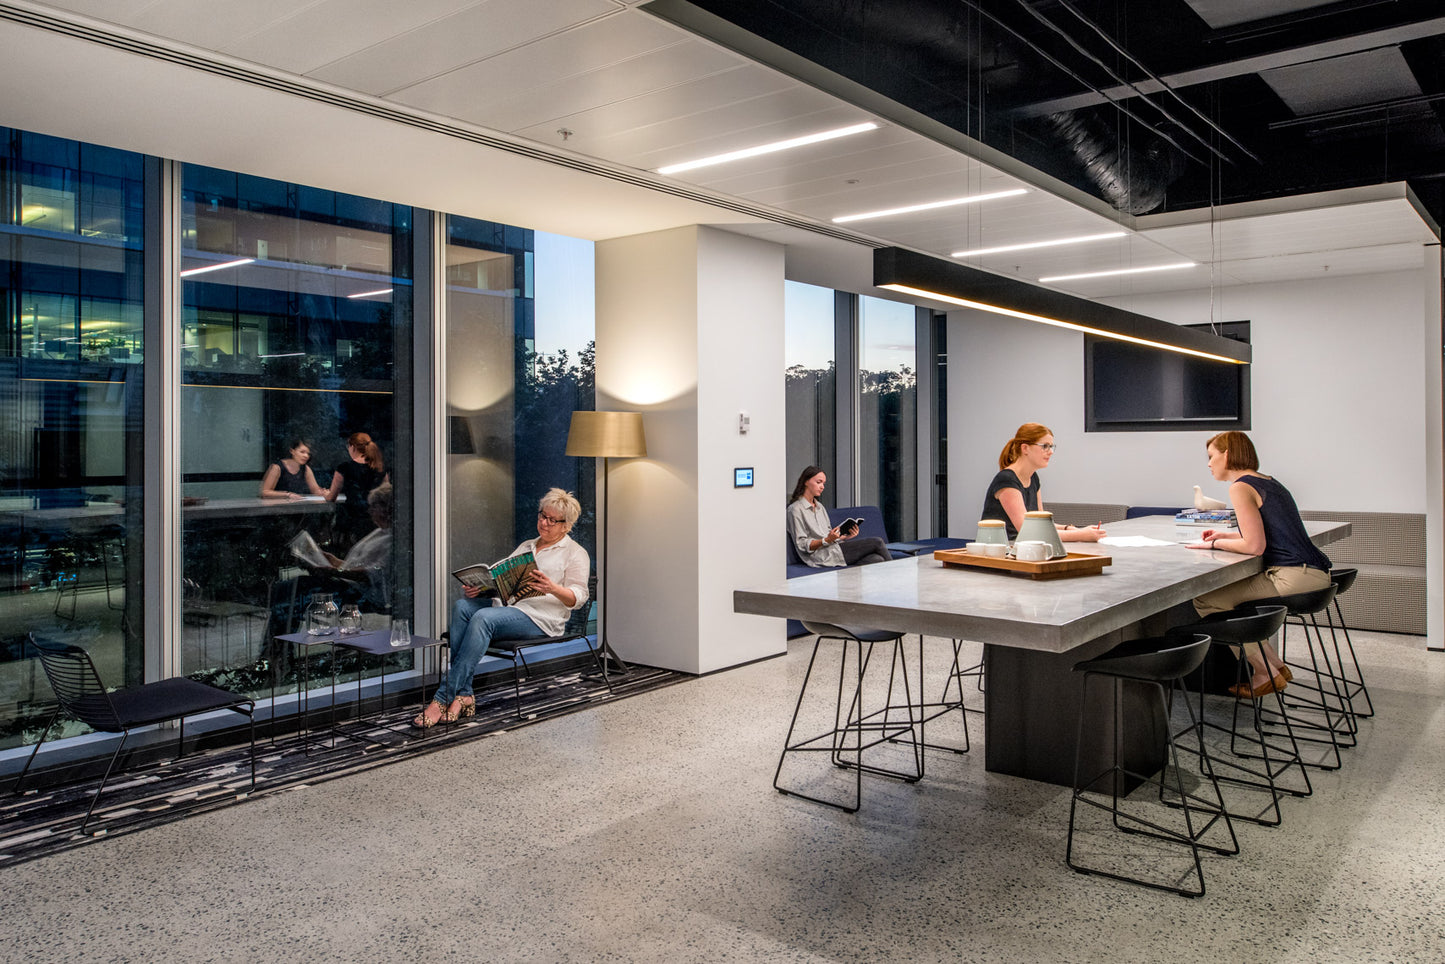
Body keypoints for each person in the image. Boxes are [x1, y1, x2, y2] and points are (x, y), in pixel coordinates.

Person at [414, 488, 590, 728]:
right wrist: (483, 589)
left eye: (552, 520)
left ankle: (442, 698)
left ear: (565, 525)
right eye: (542, 515)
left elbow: (579, 597)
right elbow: (507, 586)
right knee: (463, 606)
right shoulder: (527, 546)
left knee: (484, 617)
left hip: (541, 619)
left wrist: (552, 588)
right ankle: (464, 694)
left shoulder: (575, 553)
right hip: (511, 610)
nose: (544, 523)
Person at [1187, 431, 1332, 699]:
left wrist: (1213, 546)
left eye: (1211, 457)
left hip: (1293, 577)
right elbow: (1267, 532)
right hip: (1315, 574)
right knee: (1226, 598)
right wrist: (1225, 535)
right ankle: (1274, 666)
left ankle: (1264, 672)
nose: (1209, 464)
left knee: (1208, 599)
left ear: (1227, 454)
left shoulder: (1239, 486)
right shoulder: (1269, 482)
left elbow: (1255, 547)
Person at [979, 422, 1105, 543]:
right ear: (1025, 448)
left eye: (1051, 447)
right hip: (1002, 552)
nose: (1050, 451)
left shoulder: (1033, 477)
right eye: (1045, 446)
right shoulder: (1006, 480)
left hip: (1022, 548)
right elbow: (1027, 532)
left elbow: (1041, 525)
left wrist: (1069, 528)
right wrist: (1081, 535)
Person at [787, 465, 890, 568]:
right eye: (818, 482)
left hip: (834, 548)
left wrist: (843, 537)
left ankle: (846, 577)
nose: (822, 486)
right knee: (877, 542)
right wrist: (826, 540)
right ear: (806, 482)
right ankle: (897, 576)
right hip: (821, 556)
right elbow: (801, 544)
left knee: (877, 559)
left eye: (823, 483)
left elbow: (828, 534)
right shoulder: (795, 509)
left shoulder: (820, 507)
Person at [324, 431, 388, 551]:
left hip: (352, 521)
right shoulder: (380, 468)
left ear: (352, 446)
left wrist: (325, 494)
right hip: (375, 520)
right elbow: (385, 493)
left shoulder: (345, 468)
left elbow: (331, 497)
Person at [259, 439, 326, 499]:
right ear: (292, 451)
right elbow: (265, 492)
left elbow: (315, 490)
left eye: (308, 454)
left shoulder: (305, 469)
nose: (306, 456)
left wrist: (324, 492)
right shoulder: (277, 468)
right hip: (277, 507)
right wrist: (287, 495)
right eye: (302, 452)